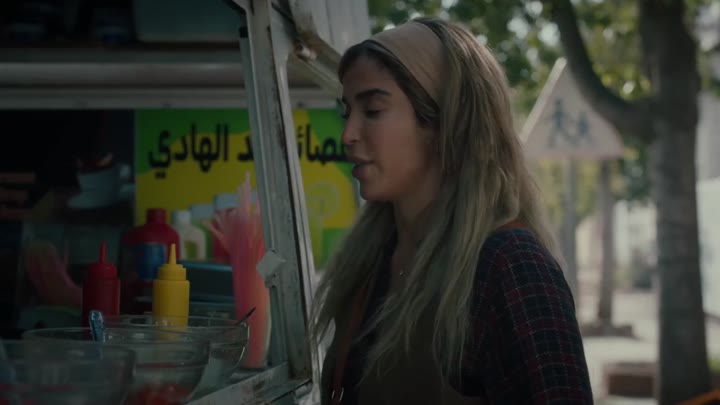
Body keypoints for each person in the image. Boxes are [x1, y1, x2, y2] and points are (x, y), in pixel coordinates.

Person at [310, 17, 593, 405]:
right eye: (347, 113)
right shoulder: (370, 261)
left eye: (373, 110)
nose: (347, 134)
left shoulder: (511, 267)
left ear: (445, 122)